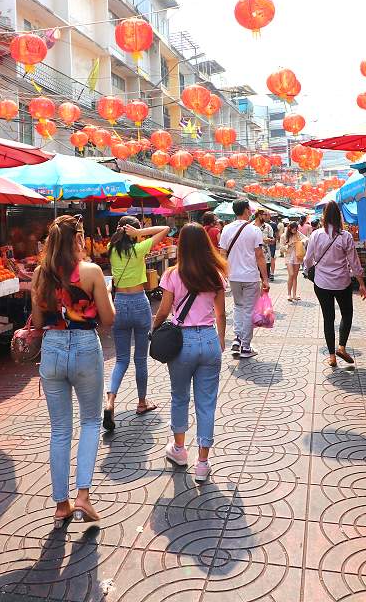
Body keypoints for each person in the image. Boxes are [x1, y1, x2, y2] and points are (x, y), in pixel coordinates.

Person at [30, 215, 115, 527]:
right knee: (91, 421)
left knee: (59, 429)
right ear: (78, 239)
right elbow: (107, 319)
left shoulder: (40, 274)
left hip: (51, 348)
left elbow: (38, 324)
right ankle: (82, 496)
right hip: (84, 347)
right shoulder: (91, 272)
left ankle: (61, 505)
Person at [153, 222, 227, 483]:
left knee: (179, 397)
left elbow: (163, 311)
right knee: (206, 404)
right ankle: (203, 464)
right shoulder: (215, 275)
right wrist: (220, 341)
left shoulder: (172, 274)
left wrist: (154, 329)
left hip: (181, 342)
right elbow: (220, 313)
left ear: (182, 246)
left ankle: (180, 450)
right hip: (208, 339)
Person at [104, 215, 170, 432]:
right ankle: (142, 402)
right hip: (140, 303)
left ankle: (110, 401)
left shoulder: (110, 249)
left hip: (120, 303)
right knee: (140, 358)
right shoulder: (139, 248)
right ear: (133, 231)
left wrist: (129, 232)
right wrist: (139, 234)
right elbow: (165, 229)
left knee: (121, 359)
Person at [303, 202, 365, 368]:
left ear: (323, 217)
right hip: (342, 283)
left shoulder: (315, 235)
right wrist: (361, 283)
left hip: (322, 284)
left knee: (328, 318)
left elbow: (308, 259)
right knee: (347, 314)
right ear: (339, 216)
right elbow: (354, 262)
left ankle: (332, 356)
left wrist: (307, 270)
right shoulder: (345, 236)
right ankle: (342, 347)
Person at [219, 199, 269, 359]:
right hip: (250, 276)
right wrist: (265, 279)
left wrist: (225, 274)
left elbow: (222, 254)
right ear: (247, 210)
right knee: (248, 310)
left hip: (233, 276)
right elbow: (260, 256)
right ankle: (246, 347)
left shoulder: (226, 229)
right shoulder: (254, 230)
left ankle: (237, 339)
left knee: (238, 307)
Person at [281, 221, 306, 302]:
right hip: (288, 257)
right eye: (293, 229)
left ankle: (294, 294)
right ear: (289, 228)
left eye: (296, 229)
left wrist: (301, 242)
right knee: (291, 275)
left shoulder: (298, 234)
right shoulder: (284, 236)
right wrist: (288, 245)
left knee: (295, 276)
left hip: (297, 256)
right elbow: (281, 248)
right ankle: (288, 294)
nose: (295, 231)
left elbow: (306, 239)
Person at [256, 211, 276, 282]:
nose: (267, 216)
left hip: (266, 257)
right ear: (259, 215)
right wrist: (262, 240)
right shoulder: (251, 226)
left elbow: (273, 240)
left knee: (264, 279)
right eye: (265, 215)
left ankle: (263, 293)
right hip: (253, 258)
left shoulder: (268, 227)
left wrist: (270, 240)